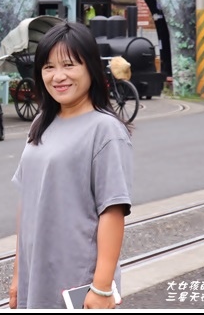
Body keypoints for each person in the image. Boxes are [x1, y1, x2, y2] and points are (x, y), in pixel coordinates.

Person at [9, 21, 133, 309]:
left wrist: (101, 288)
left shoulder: (106, 130)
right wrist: (18, 274)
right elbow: (26, 202)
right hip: (36, 273)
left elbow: (113, 210)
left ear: (90, 67)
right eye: (48, 67)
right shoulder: (42, 123)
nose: (58, 76)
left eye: (69, 65)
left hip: (76, 278)